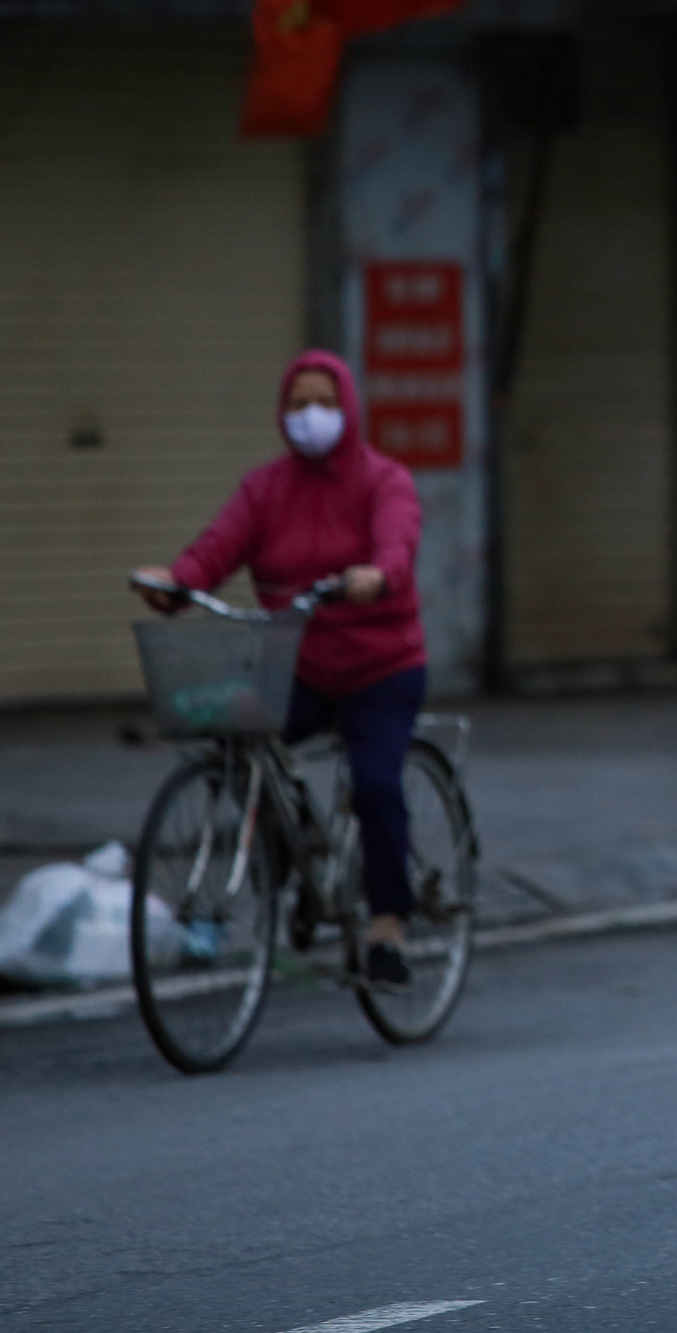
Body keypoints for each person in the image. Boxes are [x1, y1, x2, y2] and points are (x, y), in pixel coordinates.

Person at [133, 350, 425, 990]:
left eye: (324, 402)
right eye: (298, 403)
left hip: (382, 668)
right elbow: (218, 547)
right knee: (239, 741)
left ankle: (387, 926)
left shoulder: (384, 481)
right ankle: (283, 853)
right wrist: (177, 582)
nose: (310, 415)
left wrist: (378, 575)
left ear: (347, 408)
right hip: (301, 666)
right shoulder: (264, 489)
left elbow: (396, 542)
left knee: (375, 785)